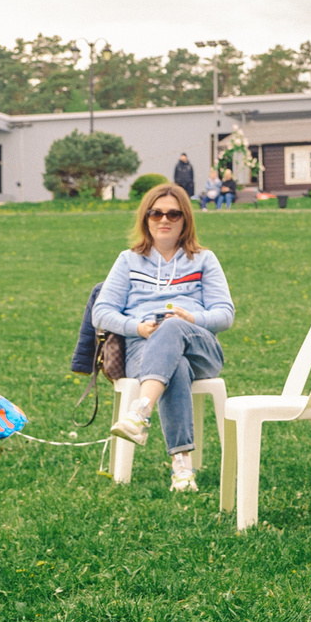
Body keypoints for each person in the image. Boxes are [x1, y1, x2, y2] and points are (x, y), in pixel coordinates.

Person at [97, 182, 234, 493]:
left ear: (185, 219)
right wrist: (138, 327)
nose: (164, 220)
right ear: (146, 218)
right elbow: (102, 312)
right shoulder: (128, 260)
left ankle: (141, 411)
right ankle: (182, 469)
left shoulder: (203, 259)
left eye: (174, 214)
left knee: (173, 328)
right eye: (156, 213)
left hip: (200, 347)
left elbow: (225, 314)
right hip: (142, 350)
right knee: (177, 367)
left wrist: (191, 318)